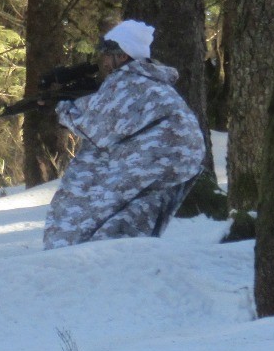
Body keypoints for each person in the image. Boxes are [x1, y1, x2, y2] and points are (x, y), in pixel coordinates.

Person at [42, 19, 207, 249]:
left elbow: (95, 128)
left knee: (87, 191)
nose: (104, 61)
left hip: (155, 156)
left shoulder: (126, 80)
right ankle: (120, 250)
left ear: (122, 56)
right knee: (134, 209)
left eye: (107, 55)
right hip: (182, 158)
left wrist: (62, 109)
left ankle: (74, 247)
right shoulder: (151, 79)